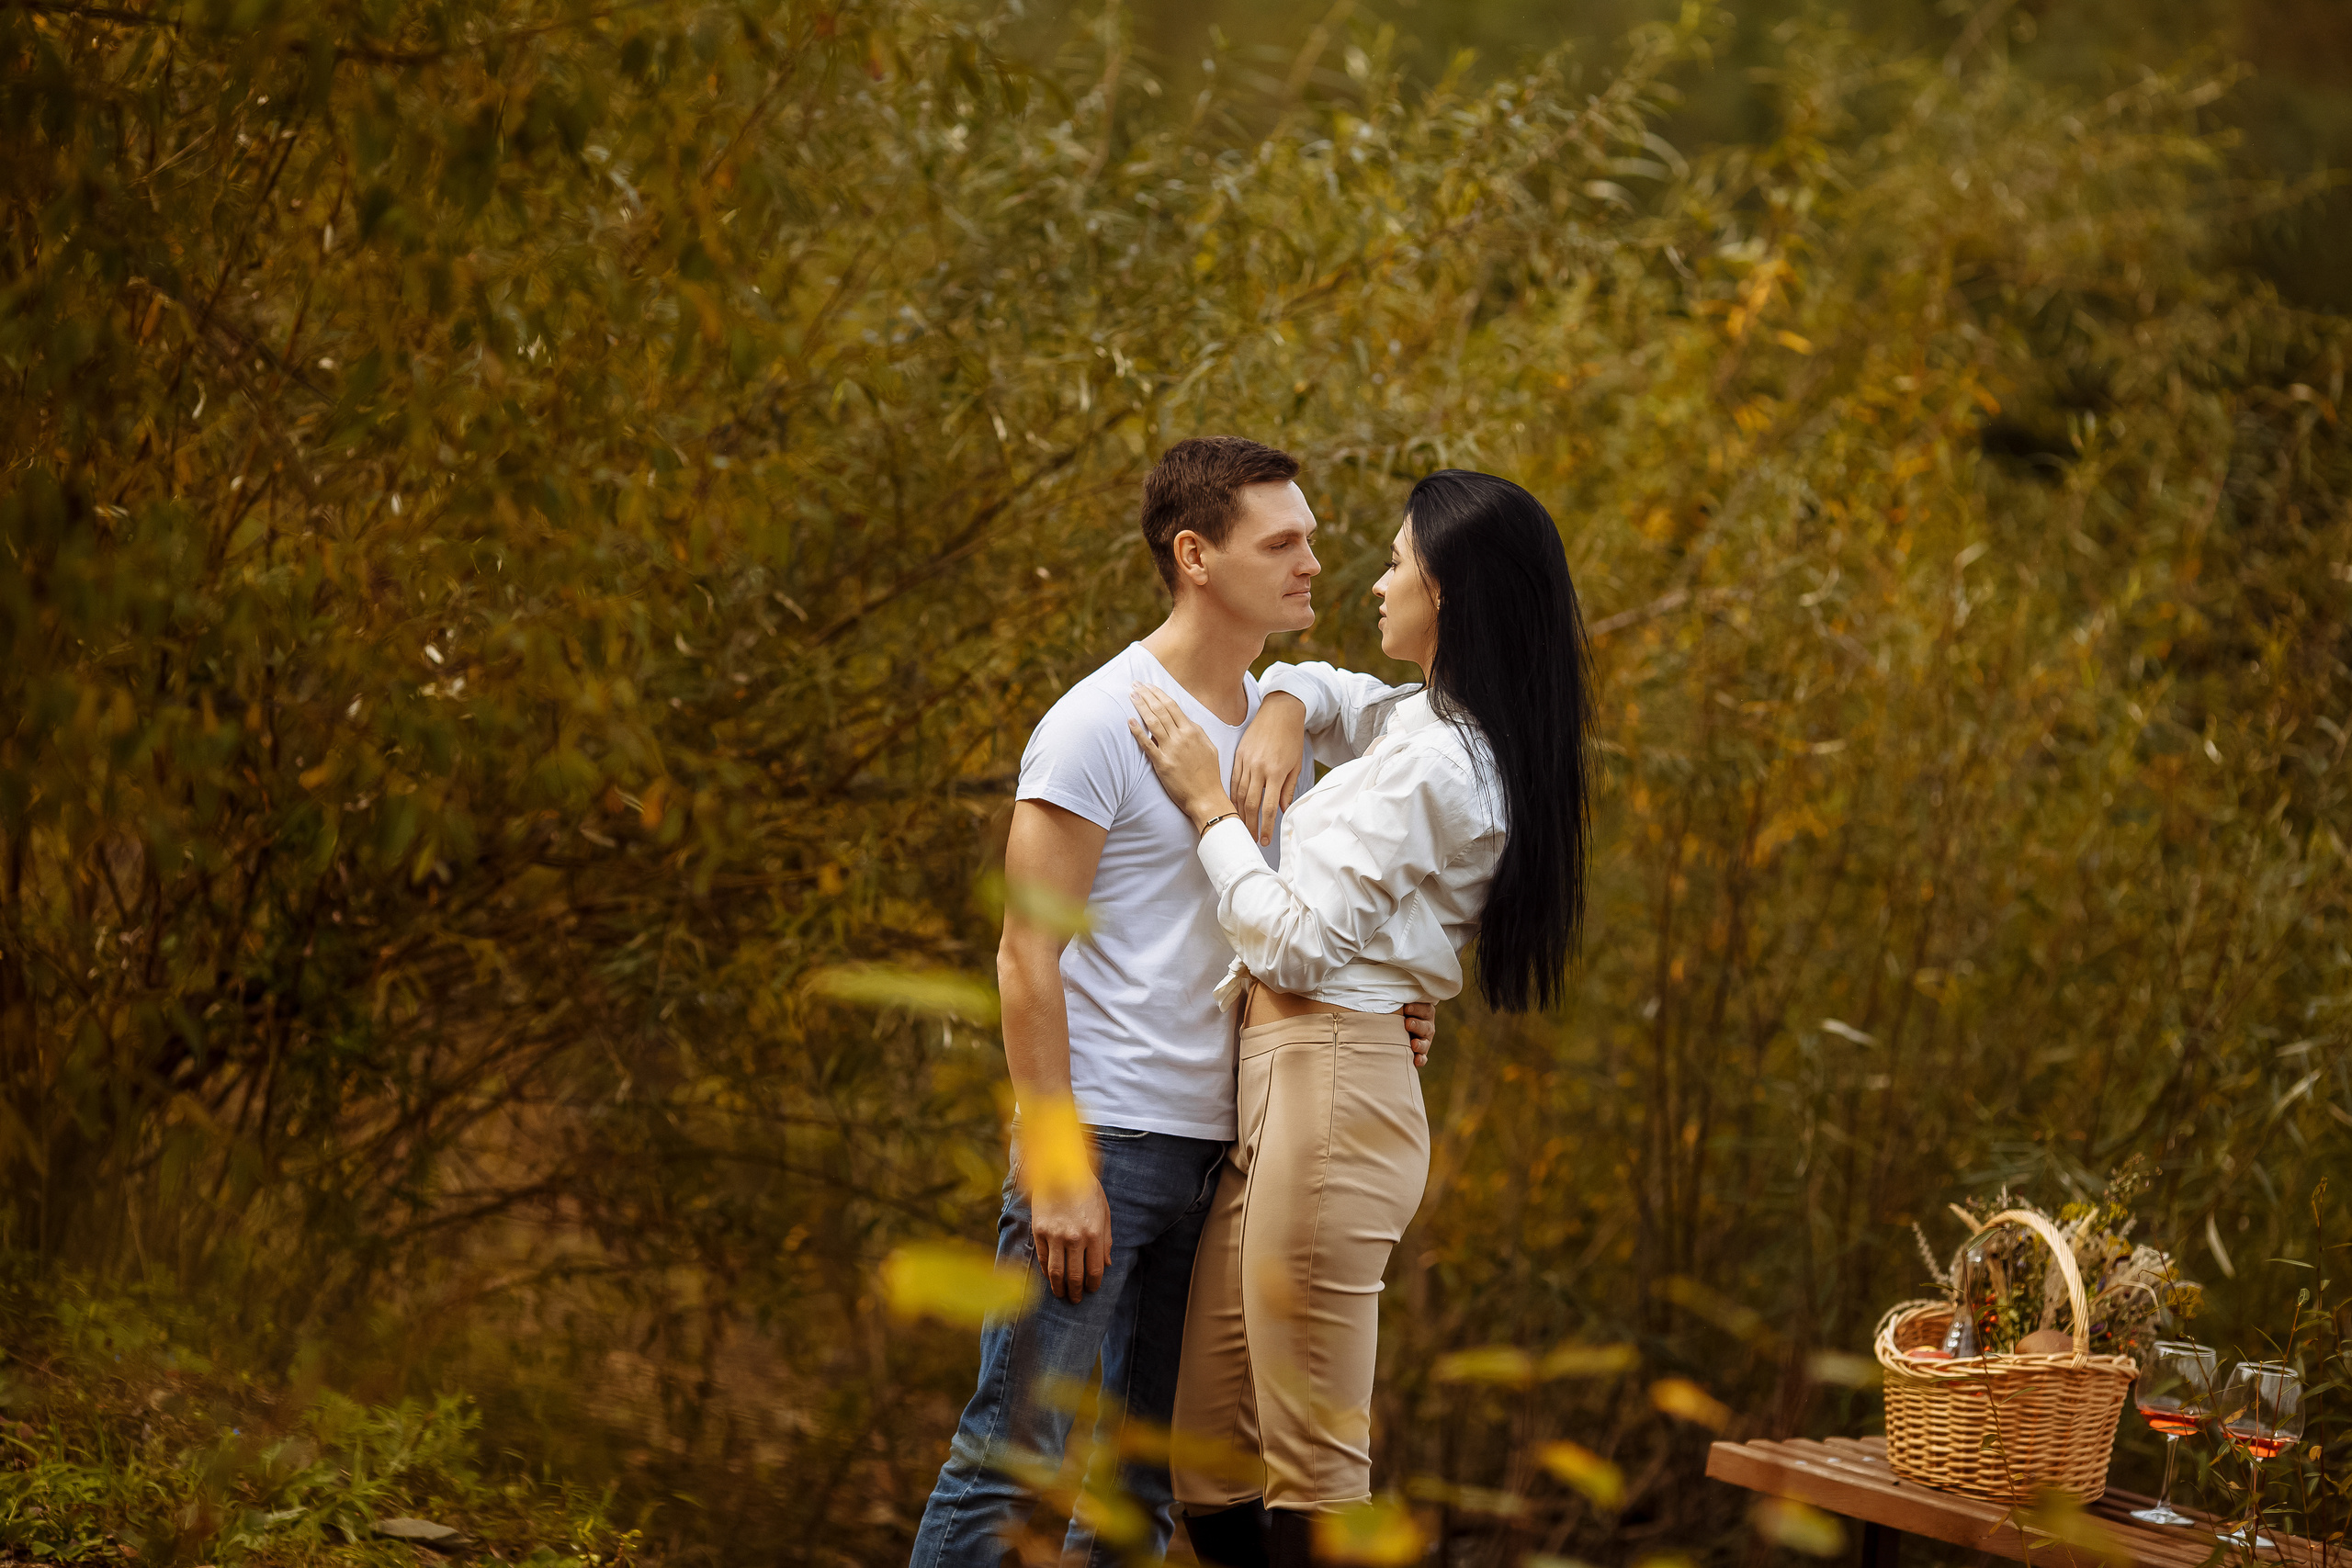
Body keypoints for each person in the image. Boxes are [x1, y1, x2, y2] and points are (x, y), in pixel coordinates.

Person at [906, 437, 1436, 1568]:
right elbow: (1022, 953)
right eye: (1281, 542)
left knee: (1142, 1488)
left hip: (1236, 1152)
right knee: (1013, 1461)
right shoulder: (1100, 721)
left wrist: (1385, 1003)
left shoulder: (1279, 727)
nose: (1312, 563)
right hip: (1104, 1142)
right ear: (1194, 555)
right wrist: (1054, 1165)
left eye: (1313, 538)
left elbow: (1287, 926)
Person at [1125, 469, 1596, 1568]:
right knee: (1206, 1455)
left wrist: (1209, 805)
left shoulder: (1441, 761)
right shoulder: (1424, 720)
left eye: (1394, 563)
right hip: (1287, 1084)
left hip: (1332, 1086)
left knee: (1313, 1473)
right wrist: (1286, 702)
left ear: (1452, 594)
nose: (1373, 582)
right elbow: (1337, 689)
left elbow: (1292, 943)